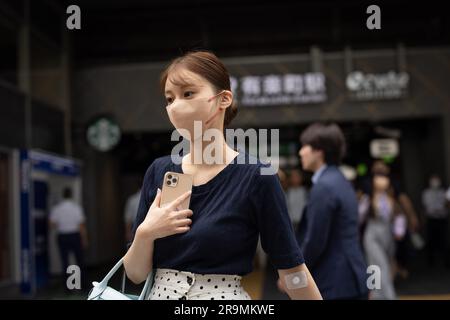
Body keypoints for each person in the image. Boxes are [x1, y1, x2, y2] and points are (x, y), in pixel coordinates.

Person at [123, 51, 322, 300]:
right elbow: (135, 273)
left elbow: (291, 268)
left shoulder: (257, 176)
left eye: (188, 93)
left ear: (223, 99)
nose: (176, 106)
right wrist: (146, 232)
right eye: (169, 99)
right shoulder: (159, 171)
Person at [294, 122, 368, 300]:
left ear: (319, 151)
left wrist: (294, 275)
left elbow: (315, 240)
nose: (300, 152)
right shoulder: (341, 181)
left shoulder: (324, 187)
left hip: (334, 281)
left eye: (305, 147)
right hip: (352, 277)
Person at [361, 172, 406, 300]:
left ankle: (379, 295)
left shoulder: (391, 198)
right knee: (376, 265)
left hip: (387, 235)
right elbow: (359, 216)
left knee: (386, 264)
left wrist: (399, 230)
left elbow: (399, 216)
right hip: (372, 234)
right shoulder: (368, 198)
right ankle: (381, 296)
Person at [49, 187, 88, 289]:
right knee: (79, 261)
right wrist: (84, 239)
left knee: (64, 261)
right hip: (75, 235)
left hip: (62, 236)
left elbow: (52, 224)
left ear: (63, 195)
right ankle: (81, 284)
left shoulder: (57, 208)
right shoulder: (76, 208)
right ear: (71, 195)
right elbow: (81, 226)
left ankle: (67, 287)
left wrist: (62, 224)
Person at [422, 174, 450, 267]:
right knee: (431, 240)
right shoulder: (426, 193)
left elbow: (446, 205)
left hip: (442, 219)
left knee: (444, 240)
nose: (435, 182)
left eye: (436, 180)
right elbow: (427, 207)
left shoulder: (443, 192)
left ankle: (446, 261)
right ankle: (430, 261)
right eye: (433, 180)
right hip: (431, 219)